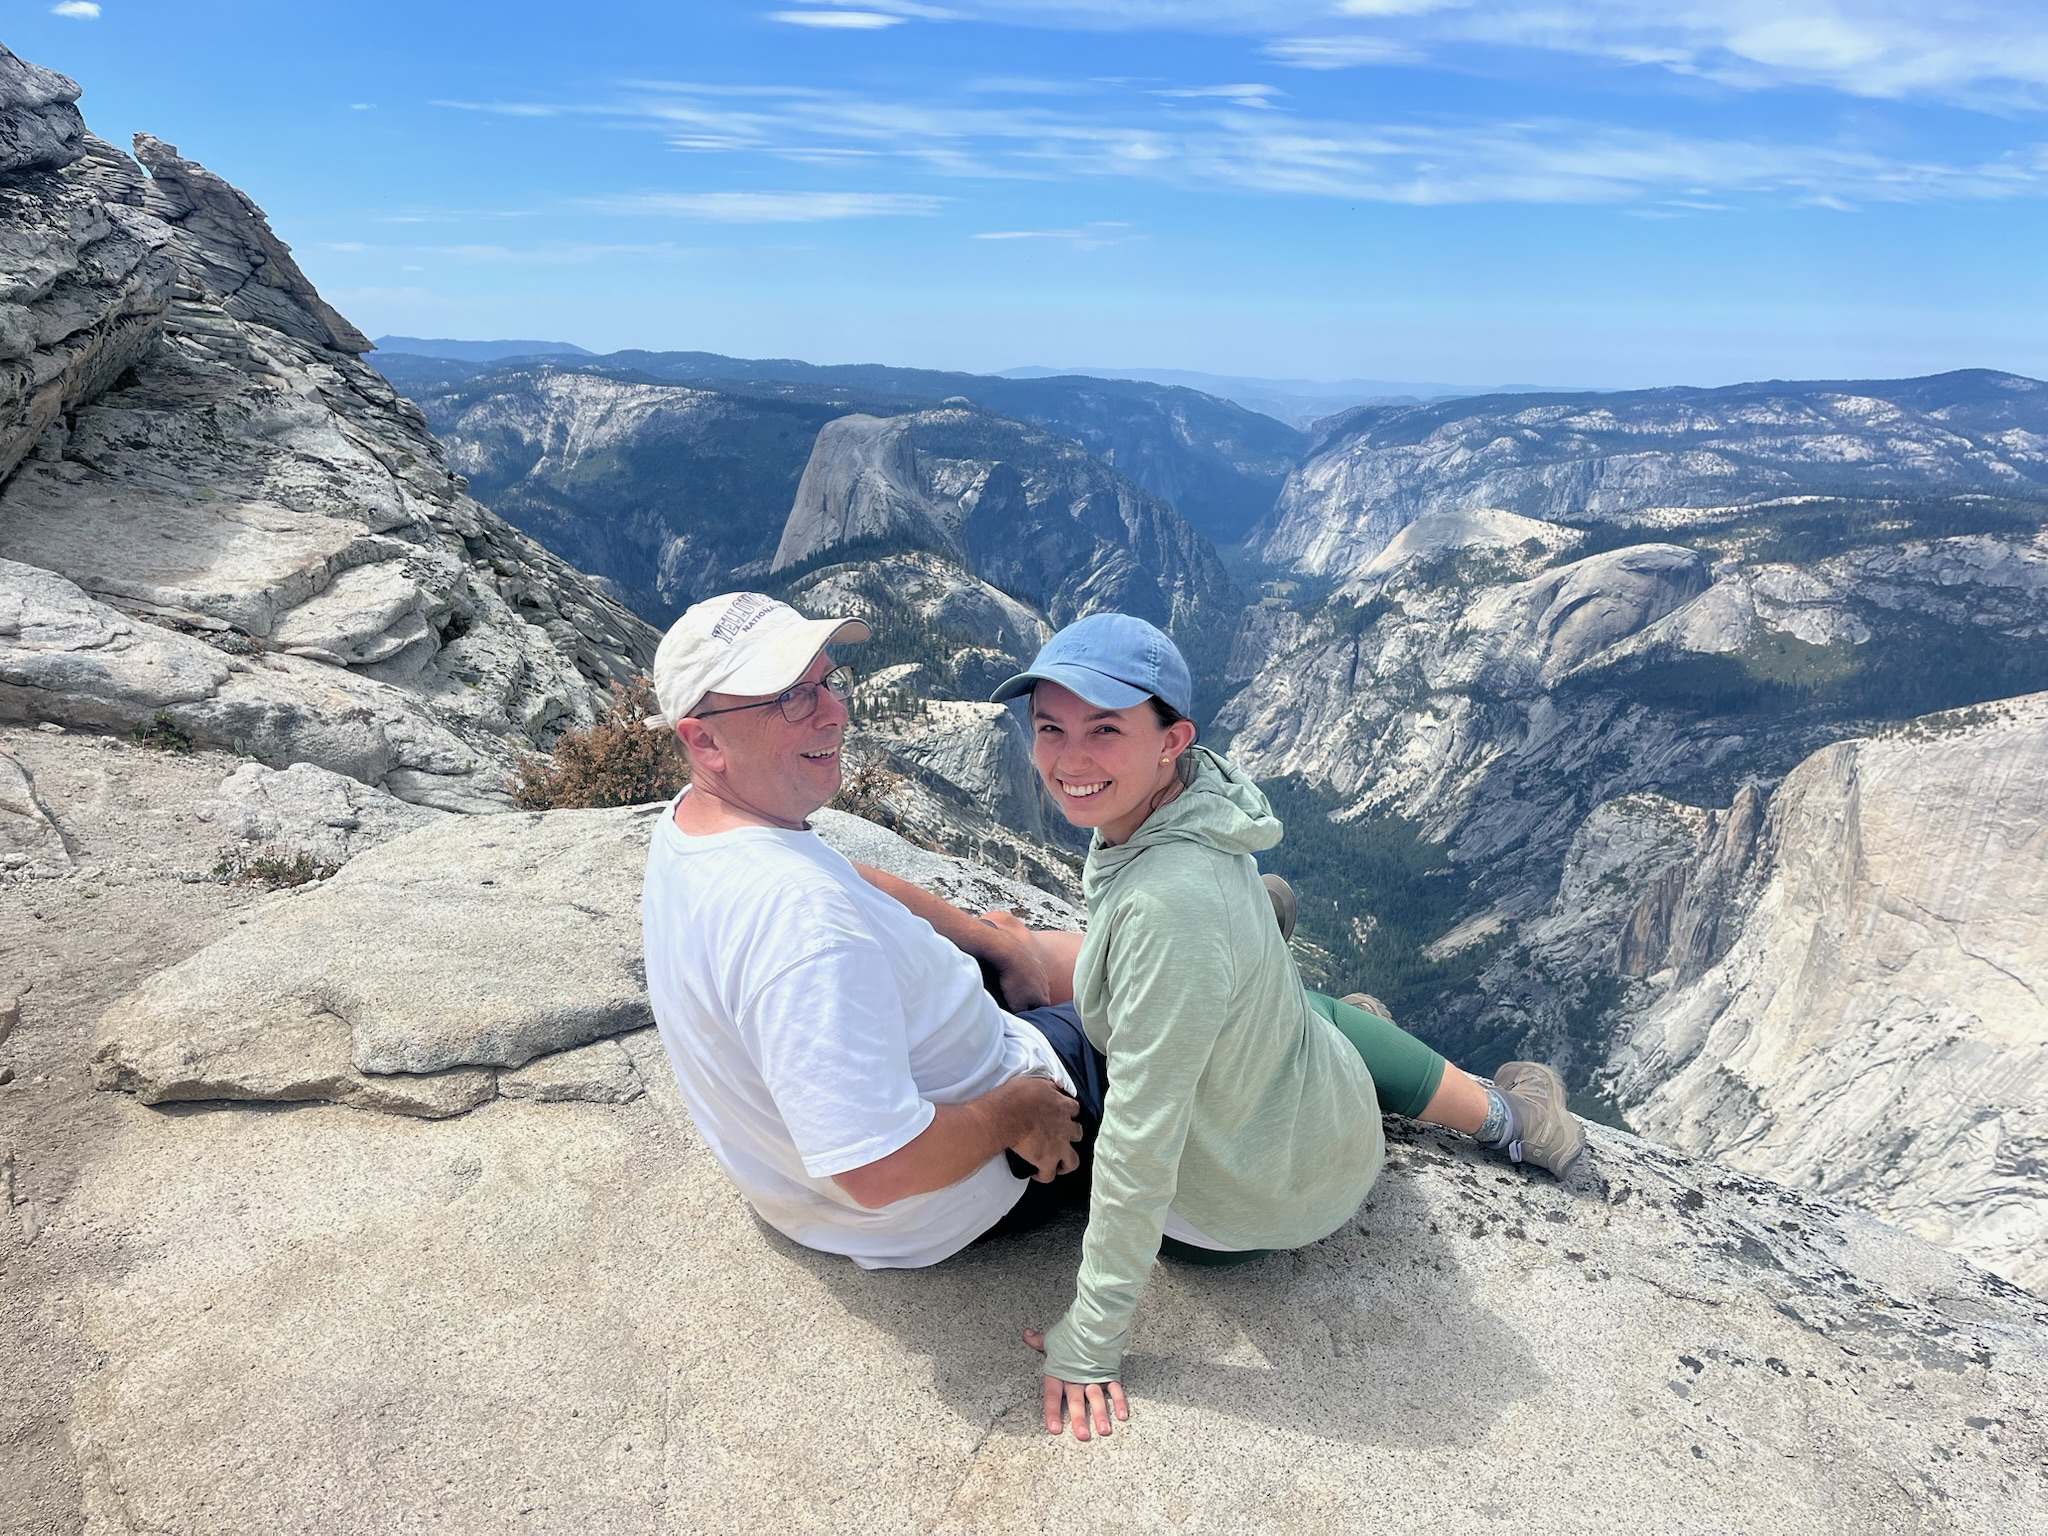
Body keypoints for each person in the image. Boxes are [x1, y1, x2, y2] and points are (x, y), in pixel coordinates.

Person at [988, 611, 1586, 1441]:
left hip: (1236, 1219)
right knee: (1294, 1004)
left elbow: (1139, 1142)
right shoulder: (1202, 801)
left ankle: (1510, 1119)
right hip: (1310, 1142)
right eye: (1050, 727)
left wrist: (1093, 1339)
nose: (1068, 758)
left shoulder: (1168, 911)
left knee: (1303, 1009)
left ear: (1171, 741)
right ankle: (1499, 1110)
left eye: (1105, 730)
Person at [638, 591, 1101, 1270]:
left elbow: (847, 875)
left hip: (874, 1135)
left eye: (827, 681)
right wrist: (1017, 1113)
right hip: (968, 1183)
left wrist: (990, 942)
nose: (833, 711)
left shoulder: (702, 824)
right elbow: (876, 1170)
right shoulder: (796, 922)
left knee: (1022, 937)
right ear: (704, 740)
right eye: (789, 699)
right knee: (1193, 1010)